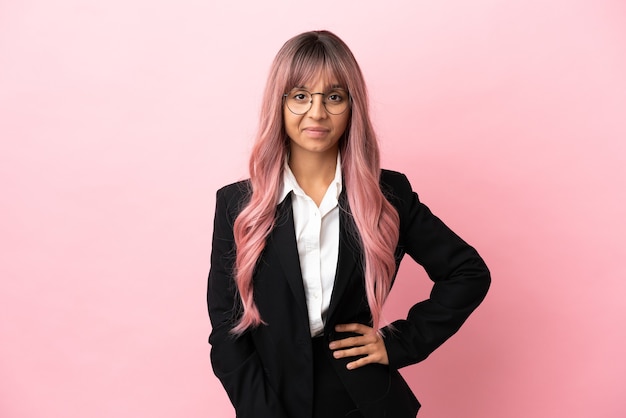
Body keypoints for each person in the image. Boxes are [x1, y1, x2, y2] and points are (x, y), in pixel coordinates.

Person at [207, 30, 490, 418]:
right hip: (272, 401)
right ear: (280, 102)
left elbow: (468, 272)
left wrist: (400, 343)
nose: (317, 112)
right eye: (301, 95)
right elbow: (226, 329)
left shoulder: (388, 194)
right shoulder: (238, 204)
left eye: (334, 97)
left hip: (365, 401)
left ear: (352, 106)